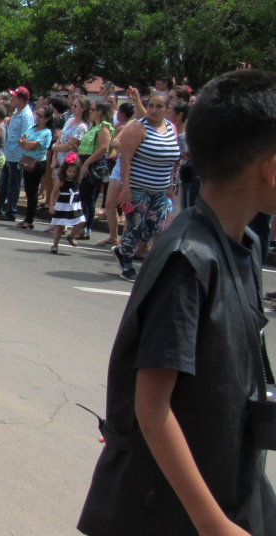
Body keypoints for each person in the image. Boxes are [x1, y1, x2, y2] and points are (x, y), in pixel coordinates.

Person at [77, 69, 276, 536]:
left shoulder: (241, 245)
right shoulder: (189, 259)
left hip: (229, 487)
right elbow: (152, 407)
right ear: (270, 167)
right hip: (168, 512)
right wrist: (214, 524)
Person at [111, 91, 181, 282]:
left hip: (160, 188)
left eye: (159, 106)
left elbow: (172, 160)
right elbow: (126, 159)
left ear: (167, 109)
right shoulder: (138, 127)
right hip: (137, 187)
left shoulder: (170, 128)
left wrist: (170, 185)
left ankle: (122, 249)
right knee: (135, 226)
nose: (153, 109)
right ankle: (127, 265)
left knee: (155, 227)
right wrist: (125, 188)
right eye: (150, 105)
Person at [98, 102, 137, 247]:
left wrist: (121, 145)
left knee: (128, 207)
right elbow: (114, 142)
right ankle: (113, 237)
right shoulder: (128, 125)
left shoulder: (140, 126)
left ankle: (125, 241)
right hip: (119, 164)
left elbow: (130, 148)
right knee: (109, 203)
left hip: (133, 167)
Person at [0, 86, 34, 221]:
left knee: (13, 183)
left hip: (17, 155)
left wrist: (21, 147)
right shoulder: (17, 112)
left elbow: (26, 135)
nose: (12, 99)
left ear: (22, 100)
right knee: (4, 182)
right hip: (9, 153)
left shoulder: (26, 115)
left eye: (15, 97)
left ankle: (11, 211)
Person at [77, 101, 114, 239]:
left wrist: (87, 163)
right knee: (85, 196)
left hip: (94, 163)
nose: (90, 112)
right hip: (86, 161)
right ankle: (84, 227)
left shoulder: (104, 127)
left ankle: (85, 228)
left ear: (99, 112)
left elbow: (104, 147)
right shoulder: (93, 126)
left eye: (92, 109)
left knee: (87, 196)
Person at [16, 105, 54, 229]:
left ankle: (30, 219)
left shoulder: (47, 132)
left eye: (41, 116)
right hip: (26, 159)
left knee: (32, 192)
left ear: (47, 119)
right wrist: (27, 144)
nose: (37, 117)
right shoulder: (32, 127)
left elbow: (33, 145)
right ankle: (28, 218)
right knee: (28, 190)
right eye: (37, 114)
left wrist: (27, 143)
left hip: (37, 163)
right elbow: (21, 140)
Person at [49, 154, 86, 253]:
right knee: (60, 226)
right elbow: (53, 192)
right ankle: (54, 245)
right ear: (65, 170)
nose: (72, 173)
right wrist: (52, 205)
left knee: (81, 221)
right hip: (63, 204)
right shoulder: (62, 180)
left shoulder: (78, 179)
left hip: (75, 204)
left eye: (74, 171)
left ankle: (71, 236)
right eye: (70, 171)